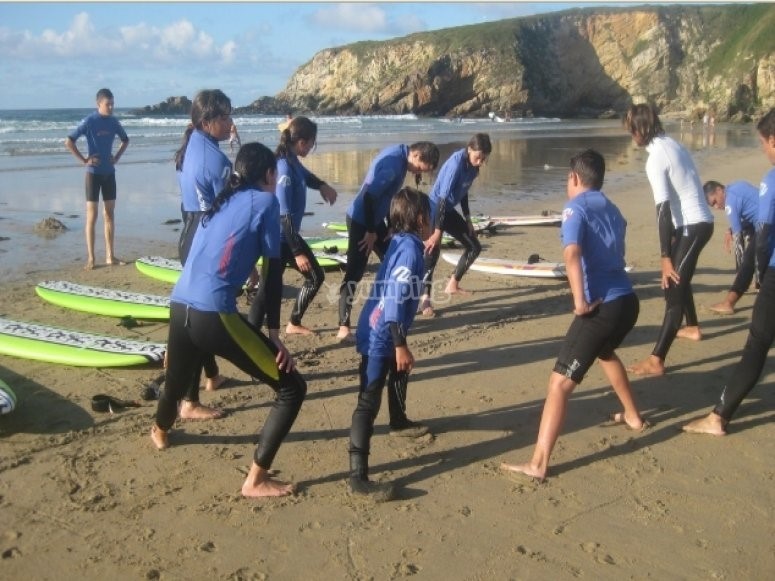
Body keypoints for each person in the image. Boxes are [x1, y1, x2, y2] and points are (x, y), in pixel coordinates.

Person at [151, 142, 307, 498]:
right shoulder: (267, 202)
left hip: (179, 305)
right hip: (213, 313)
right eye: (275, 175)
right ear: (269, 175)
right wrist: (273, 334)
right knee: (292, 387)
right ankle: (255, 480)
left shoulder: (222, 203)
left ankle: (160, 429)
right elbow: (273, 270)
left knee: (176, 381)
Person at [500, 149, 647, 483]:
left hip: (601, 306)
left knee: (558, 384)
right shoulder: (613, 208)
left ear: (575, 178)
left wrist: (579, 302)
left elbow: (572, 254)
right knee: (605, 352)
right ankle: (634, 417)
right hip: (628, 302)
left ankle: (538, 463)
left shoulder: (574, 208)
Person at [682, 108, 775, 436]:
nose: (763, 150)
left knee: (758, 342)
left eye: (763, 143)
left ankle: (719, 417)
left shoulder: (771, 180)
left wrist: (761, 275)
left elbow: (763, 235)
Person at [348, 187, 431, 500]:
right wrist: (399, 344)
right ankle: (358, 477)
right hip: (381, 333)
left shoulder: (401, 240)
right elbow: (395, 299)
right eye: (429, 213)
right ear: (421, 218)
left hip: (380, 324)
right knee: (368, 401)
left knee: (401, 369)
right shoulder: (410, 250)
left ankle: (398, 422)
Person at [623, 103, 714, 376]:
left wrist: (664, 257)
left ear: (641, 129)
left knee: (672, 287)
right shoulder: (671, 144)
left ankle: (657, 359)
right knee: (679, 278)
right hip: (691, 223)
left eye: (631, 130)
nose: (631, 136)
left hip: (693, 225)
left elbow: (662, 210)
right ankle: (693, 327)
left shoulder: (656, 159)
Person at [337, 142, 440, 342]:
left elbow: (388, 198)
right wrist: (370, 231)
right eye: (418, 168)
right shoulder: (394, 164)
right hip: (362, 220)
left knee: (393, 260)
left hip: (376, 220)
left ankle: (388, 311)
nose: (416, 172)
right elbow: (368, 197)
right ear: (416, 155)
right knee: (355, 272)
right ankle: (343, 327)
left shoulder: (401, 154)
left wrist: (391, 225)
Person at [173, 89, 235, 417]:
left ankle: (212, 377)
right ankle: (189, 402)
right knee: (200, 323)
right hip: (203, 240)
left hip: (189, 231)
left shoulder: (191, 147)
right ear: (207, 121)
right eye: (224, 117)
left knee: (197, 315)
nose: (230, 123)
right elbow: (226, 213)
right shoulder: (216, 160)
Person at [248, 116, 338, 336]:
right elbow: (283, 214)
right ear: (301, 142)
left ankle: (293, 323)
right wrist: (297, 252)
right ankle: (252, 335)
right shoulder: (284, 169)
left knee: (314, 277)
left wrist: (323, 185)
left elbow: (307, 177)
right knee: (268, 291)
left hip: (288, 238)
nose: (311, 148)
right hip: (278, 240)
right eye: (312, 143)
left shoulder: (293, 161)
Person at [419, 133, 491, 316]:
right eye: (478, 157)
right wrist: (437, 232)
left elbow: (463, 192)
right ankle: (424, 300)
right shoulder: (455, 164)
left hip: (448, 209)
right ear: (469, 149)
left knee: (474, 247)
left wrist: (468, 220)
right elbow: (442, 200)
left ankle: (452, 284)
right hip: (436, 207)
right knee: (432, 251)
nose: (480, 162)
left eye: (483, 159)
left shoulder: (473, 166)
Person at [65, 88, 130, 270]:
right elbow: (69, 141)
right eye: (107, 104)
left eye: (112, 104)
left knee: (109, 215)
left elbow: (125, 140)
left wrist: (116, 158)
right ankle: (91, 258)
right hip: (92, 174)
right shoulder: (89, 121)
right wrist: (84, 160)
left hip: (109, 173)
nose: (111, 107)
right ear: (98, 104)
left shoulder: (114, 121)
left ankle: (110, 256)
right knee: (91, 217)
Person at [703, 179, 760, 314]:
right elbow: (755, 210)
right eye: (713, 206)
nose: (717, 207)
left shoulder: (730, 203)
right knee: (751, 236)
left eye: (715, 202)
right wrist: (731, 229)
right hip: (768, 218)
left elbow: (738, 241)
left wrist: (739, 273)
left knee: (747, 261)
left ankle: (729, 302)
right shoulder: (737, 187)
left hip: (768, 224)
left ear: (719, 190)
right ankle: (759, 281)